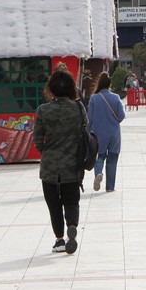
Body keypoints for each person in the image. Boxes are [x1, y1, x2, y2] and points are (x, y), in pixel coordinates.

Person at [32, 69, 85, 254]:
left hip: (50, 167)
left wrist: (46, 152)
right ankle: (72, 225)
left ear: (51, 89)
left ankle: (60, 239)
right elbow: (85, 133)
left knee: (53, 204)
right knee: (71, 201)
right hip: (72, 164)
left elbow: (37, 138)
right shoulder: (78, 108)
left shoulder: (43, 110)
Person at [87, 72, 126, 193]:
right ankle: (110, 187)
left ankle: (98, 173)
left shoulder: (94, 98)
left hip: (99, 133)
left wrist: (88, 132)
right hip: (114, 133)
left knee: (99, 156)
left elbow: (90, 119)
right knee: (113, 158)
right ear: (110, 84)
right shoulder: (115, 97)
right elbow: (122, 115)